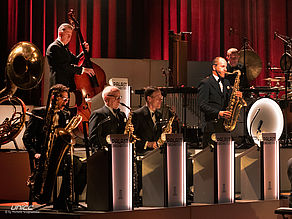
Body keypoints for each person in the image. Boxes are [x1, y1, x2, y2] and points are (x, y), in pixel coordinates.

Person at [23, 84, 86, 211]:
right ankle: (61, 200)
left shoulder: (64, 114)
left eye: (67, 99)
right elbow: (27, 138)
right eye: (64, 98)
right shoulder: (39, 113)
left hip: (57, 155)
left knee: (80, 165)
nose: (66, 102)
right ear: (54, 97)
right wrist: (35, 153)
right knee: (72, 165)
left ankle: (63, 199)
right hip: (43, 156)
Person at [198, 57, 242, 148]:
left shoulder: (226, 82)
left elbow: (230, 101)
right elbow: (202, 105)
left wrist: (237, 97)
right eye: (222, 66)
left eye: (226, 67)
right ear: (214, 67)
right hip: (212, 127)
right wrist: (219, 113)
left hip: (224, 127)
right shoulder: (206, 83)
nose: (225, 69)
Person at [46, 23, 95, 91]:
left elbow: (75, 60)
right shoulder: (54, 47)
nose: (69, 38)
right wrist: (83, 70)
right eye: (68, 34)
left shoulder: (64, 48)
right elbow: (64, 66)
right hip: (57, 85)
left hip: (65, 84)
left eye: (71, 35)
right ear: (60, 34)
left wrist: (84, 51)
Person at [132, 86, 164, 156]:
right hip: (143, 153)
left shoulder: (159, 114)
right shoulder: (137, 115)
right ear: (149, 99)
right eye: (158, 98)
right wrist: (147, 144)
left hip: (157, 152)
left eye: (161, 98)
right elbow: (131, 138)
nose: (160, 100)